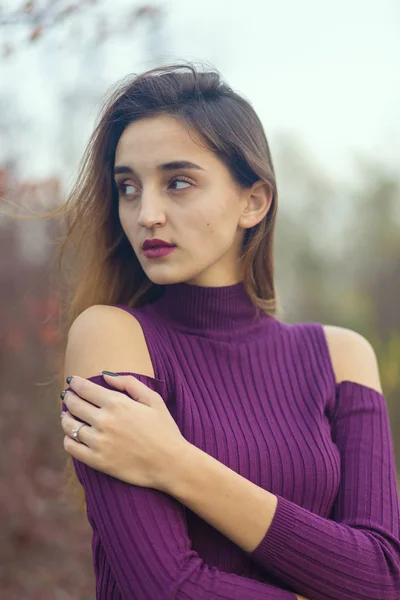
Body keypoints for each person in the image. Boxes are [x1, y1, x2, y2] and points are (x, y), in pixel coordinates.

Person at [58, 63, 400, 600]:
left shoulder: (341, 357)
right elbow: (165, 588)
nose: (147, 213)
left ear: (253, 201)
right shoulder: (111, 337)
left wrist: (176, 463)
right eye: (128, 187)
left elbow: (381, 577)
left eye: (178, 182)